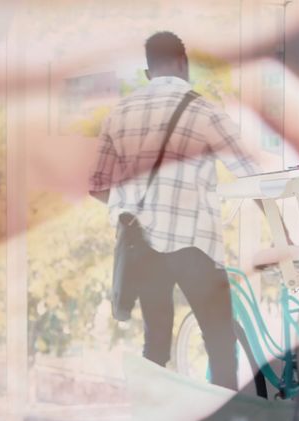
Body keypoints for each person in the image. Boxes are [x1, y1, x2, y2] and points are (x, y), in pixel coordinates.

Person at [90, 31, 258, 391]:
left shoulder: (119, 113)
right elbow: (252, 172)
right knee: (219, 345)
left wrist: (130, 205)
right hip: (195, 244)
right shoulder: (204, 111)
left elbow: (98, 185)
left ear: (148, 72)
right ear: (184, 64)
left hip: (143, 248)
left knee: (156, 346)